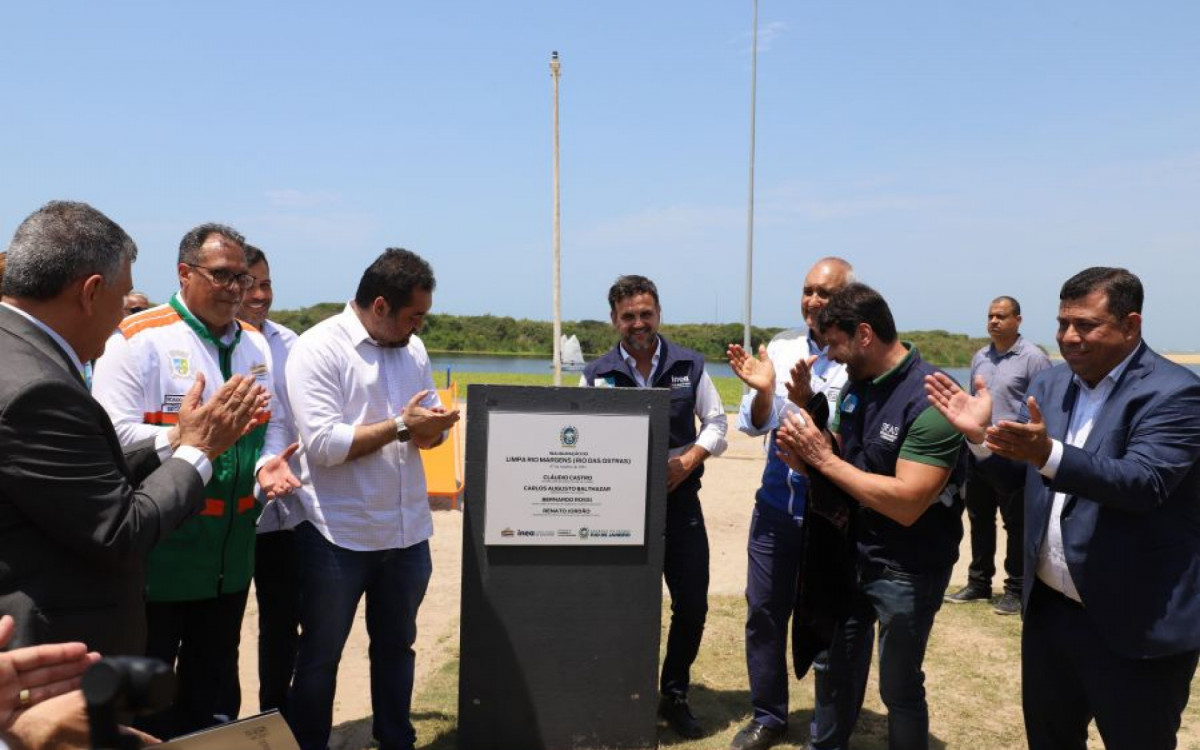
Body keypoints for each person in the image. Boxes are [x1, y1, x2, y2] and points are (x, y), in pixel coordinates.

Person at [925, 267, 1200, 750]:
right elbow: (1023, 480)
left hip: (1134, 621)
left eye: (1086, 325)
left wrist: (1046, 453)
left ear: (1131, 325)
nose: (1070, 337)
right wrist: (981, 440)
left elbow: (1144, 482)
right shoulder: (1052, 385)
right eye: (1062, 323)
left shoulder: (1175, 393)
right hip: (1052, 615)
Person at [0, 201, 267, 656]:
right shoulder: (39, 389)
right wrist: (198, 450)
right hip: (50, 646)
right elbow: (118, 530)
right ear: (90, 293)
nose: (124, 314)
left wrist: (175, 440)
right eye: (122, 298)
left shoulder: (17, 355)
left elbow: (83, 474)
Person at [91, 223, 297, 737]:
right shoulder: (138, 339)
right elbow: (108, 437)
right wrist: (182, 435)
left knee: (215, 695)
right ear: (185, 274)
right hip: (160, 554)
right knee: (149, 699)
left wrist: (265, 463)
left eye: (243, 279)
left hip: (230, 559)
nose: (236, 289)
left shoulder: (256, 345)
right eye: (222, 275)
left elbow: (269, 426)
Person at [775, 283, 964, 750]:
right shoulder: (858, 387)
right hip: (850, 555)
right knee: (832, 667)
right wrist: (810, 448)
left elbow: (906, 501)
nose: (831, 357)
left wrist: (823, 462)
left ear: (863, 334)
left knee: (898, 688)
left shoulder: (934, 400)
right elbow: (846, 457)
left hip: (906, 568)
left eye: (834, 344)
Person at [284, 248, 460, 750]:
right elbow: (322, 446)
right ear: (379, 306)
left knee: (397, 650)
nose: (419, 327)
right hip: (337, 536)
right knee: (319, 656)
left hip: (406, 534)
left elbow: (425, 437)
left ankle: (395, 739)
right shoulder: (319, 348)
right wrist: (404, 425)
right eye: (413, 316)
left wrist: (433, 432)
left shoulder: (414, 351)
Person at [581, 275, 728, 739]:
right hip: (617, 510)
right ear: (614, 320)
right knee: (624, 605)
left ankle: (675, 692)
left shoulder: (690, 364)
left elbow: (718, 425)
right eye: (629, 316)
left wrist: (689, 459)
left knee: (692, 605)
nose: (638, 324)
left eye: (646, 314)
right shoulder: (596, 373)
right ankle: (626, 693)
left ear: (658, 313)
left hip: (681, 503)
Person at [724, 257, 853, 750]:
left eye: (825, 292)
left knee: (828, 617)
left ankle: (828, 721)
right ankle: (768, 716)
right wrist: (762, 393)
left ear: (846, 297)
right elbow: (754, 424)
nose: (814, 301)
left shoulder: (855, 351)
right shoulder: (780, 348)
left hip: (832, 512)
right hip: (777, 506)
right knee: (764, 611)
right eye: (807, 291)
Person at [944, 296, 1050, 615]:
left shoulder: (1033, 358)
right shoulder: (981, 356)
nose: (994, 321)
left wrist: (1016, 433)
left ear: (1018, 320)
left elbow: (1042, 401)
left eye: (1001, 316)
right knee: (979, 517)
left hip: (1014, 451)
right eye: (990, 316)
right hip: (978, 448)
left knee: (1015, 522)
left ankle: (1016, 588)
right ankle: (979, 583)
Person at [239, 244, 302, 714]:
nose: (260, 294)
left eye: (267, 283)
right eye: (249, 283)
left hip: (286, 512)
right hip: (230, 512)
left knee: (282, 624)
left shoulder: (291, 344)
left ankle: (272, 718)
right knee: (215, 630)